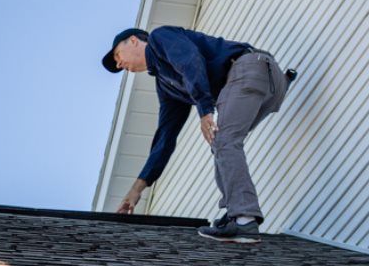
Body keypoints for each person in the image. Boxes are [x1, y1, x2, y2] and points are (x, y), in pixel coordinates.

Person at [101, 26, 293, 242]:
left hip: (248, 68)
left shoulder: (159, 38)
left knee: (223, 141)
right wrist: (137, 189)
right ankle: (236, 213)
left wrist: (205, 110)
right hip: (269, 84)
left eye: (117, 55)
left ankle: (244, 219)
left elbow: (190, 61)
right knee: (220, 142)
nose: (119, 64)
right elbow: (165, 136)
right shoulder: (166, 85)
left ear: (134, 41)